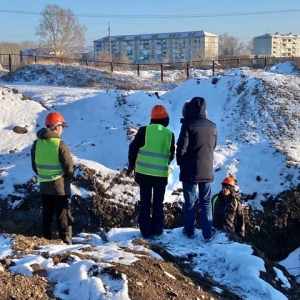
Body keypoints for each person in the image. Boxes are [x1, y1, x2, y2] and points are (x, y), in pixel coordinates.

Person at [127, 105, 175, 239]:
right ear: (166, 118)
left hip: (143, 174)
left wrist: (132, 166)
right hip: (160, 175)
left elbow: (133, 148)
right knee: (158, 204)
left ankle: (145, 232)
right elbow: (171, 154)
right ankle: (157, 231)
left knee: (145, 203)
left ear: (152, 118)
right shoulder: (169, 135)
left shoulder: (143, 131)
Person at [176, 97, 217, 241]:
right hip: (207, 169)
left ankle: (189, 231)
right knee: (206, 202)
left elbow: (181, 148)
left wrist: (180, 162)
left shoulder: (188, 125)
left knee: (190, 202)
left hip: (189, 171)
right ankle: (207, 233)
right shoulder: (212, 126)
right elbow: (213, 146)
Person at [31, 112, 74, 244]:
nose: (62, 129)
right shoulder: (59, 144)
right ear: (56, 127)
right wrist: (69, 176)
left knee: (47, 215)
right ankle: (66, 243)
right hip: (60, 187)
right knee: (63, 216)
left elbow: (35, 166)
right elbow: (69, 166)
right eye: (61, 126)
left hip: (44, 185)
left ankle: (46, 241)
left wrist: (44, 175)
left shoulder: (36, 144)